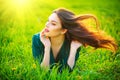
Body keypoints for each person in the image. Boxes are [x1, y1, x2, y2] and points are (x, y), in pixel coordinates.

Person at [32, 8, 117, 72]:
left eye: (53, 23)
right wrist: (47, 47)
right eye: (48, 21)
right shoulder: (37, 39)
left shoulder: (73, 42)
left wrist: (73, 49)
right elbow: (43, 71)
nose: (47, 25)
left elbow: (67, 71)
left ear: (63, 30)